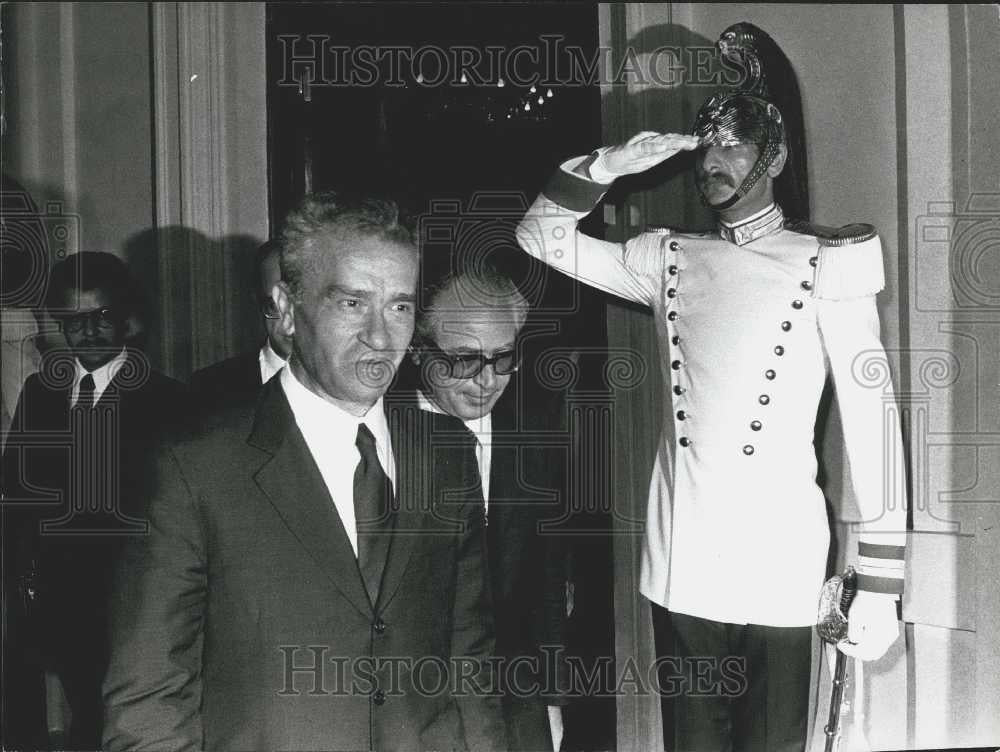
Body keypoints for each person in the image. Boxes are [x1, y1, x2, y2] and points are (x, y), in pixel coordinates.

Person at [514, 51, 907, 752]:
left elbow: (872, 416)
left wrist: (881, 580)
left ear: (776, 157)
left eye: (734, 146)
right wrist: (609, 165)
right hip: (684, 559)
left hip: (781, 564)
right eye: (707, 148)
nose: (712, 163)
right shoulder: (667, 258)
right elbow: (538, 237)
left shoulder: (828, 262)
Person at [102, 191, 506, 751]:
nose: (381, 336)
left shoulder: (446, 453)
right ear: (287, 310)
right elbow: (148, 696)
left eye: (400, 306)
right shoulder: (195, 463)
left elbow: (471, 662)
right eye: (351, 303)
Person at [1, 251, 184, 750]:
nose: (87, 333)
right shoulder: (41, 392)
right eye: (72, 321)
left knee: (127, 723)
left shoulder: (168, 400)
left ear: (126, 317)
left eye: (100, 317)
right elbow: (17, 495)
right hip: (60, 599)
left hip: (135, 601)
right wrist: (23, 578)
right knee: (83, 719)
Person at [394, 264, 569, 751]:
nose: (486, 380)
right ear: (417, 351)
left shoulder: (535, 437)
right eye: (464, 360)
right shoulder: (378, 434)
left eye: (502, 358)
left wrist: (551, 701)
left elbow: (547, 581)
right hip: (408, 705)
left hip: (514, 702)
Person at [189, 238, 292, 404]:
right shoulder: (209, 388)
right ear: (257, 302)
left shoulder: (346, 384)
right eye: (274, 305)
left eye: (300, 304)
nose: (290, 323)